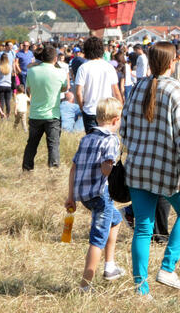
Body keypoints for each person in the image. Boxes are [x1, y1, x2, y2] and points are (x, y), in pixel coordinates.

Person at [120, 41, 180, 294]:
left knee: (143, 227)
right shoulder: (175, 89)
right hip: (167, 168)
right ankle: (167, 267)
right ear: (172, 62)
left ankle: (141, 289)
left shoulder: (138, 87)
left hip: (138, 167)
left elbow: (124, 128)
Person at [65, 97, 126, 290]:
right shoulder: (110, 140)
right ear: (116, 120)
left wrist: (71, 196)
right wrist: (119, 176)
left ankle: (110, 266)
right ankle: (85, 284)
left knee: (115, 220)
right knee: (97, 239)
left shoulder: (86, 138)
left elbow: (73, 168)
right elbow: (107, 166)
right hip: (101, 195)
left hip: (85, 196)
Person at [22, 45, 67, 172]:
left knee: (32, 144)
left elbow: (29, 90)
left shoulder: (32, 71)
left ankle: (27, 168)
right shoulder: (60, 72)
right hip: (53, 114)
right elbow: (65, 88)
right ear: (55, 58)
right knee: (53, 145)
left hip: (36, 113)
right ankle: (53, 170)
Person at [74, 37, 122, 135]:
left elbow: (78, 92)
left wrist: (82, 107)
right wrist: (120, 108)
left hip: (89, 110)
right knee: (108, 141)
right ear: (102, 50)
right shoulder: (109, 67)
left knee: (91, 142)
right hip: (107, 110)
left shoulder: (83, 67)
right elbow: (116, 92)